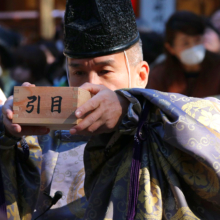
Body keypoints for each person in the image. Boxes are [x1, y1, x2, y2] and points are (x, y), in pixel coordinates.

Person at [1, 2, 220, 220]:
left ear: (142, 75)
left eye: (105, 71)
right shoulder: (43, 136)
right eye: (77, 72)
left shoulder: (163, 125)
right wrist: (7, 132)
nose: (89, 86)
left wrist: (129, 108)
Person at [148, 11, 220, 97]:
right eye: (185, 43)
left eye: (197, 40)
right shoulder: (159, 75)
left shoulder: (217, 67)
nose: (193, 46)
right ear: (170, 48)